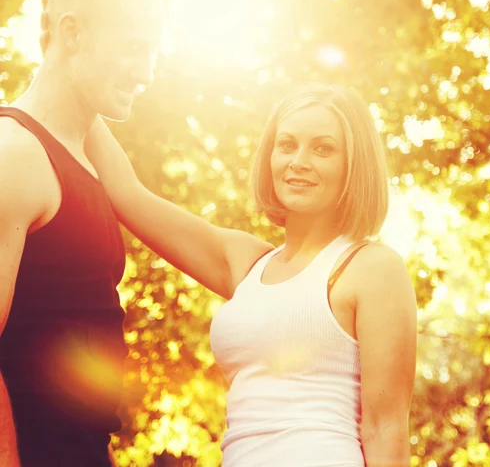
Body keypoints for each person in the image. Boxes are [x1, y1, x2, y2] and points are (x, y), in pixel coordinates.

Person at [85, 83, 418, 466]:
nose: (299, 161)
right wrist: (74, 79)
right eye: (287, 145)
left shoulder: (372, 267)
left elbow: (385, 427)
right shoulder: (247, 262)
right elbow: (127, 194)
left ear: (353, 165)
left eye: (323, 148)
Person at [0, 0, 163, 466]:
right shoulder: (16, 155)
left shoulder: (87, 157)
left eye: (153, 53)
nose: (147, 72)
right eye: (134, 49)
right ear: (71, 33)